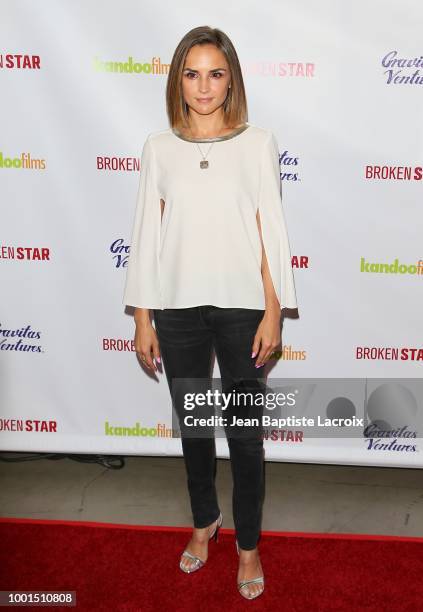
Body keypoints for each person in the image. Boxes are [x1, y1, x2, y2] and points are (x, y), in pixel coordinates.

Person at [122, 25, 298, 601]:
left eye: (215, 73)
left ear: (231, 79)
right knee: (194, 429)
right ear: (178, 79)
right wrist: (143, 318)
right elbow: (147, 236)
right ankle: (205, 524)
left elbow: (269, 230)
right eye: (191, 73)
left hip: (244, 307)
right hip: (175, 309)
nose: (203, 86)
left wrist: (273, 311)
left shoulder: (258, 142)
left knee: (245, 434)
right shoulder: (158, 147)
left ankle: (248, 543)